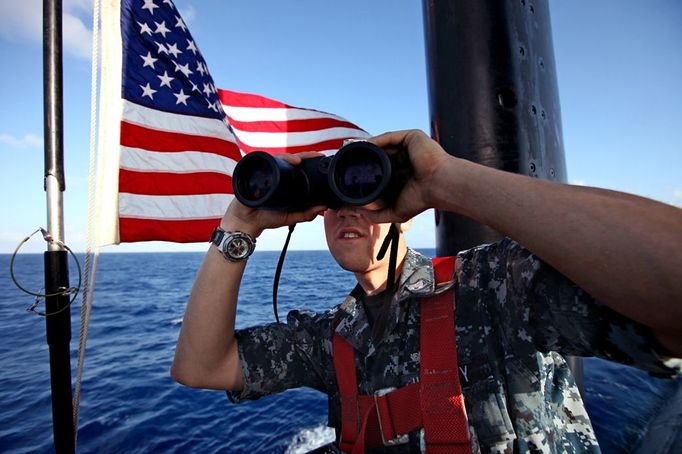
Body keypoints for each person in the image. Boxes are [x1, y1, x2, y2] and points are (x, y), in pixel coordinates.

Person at [171, 130, 682, 453]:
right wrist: (240, 223)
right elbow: (201, 366)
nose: (347, 211)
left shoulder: (493, 287)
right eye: (332, 201)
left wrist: (444, 180)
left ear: (403, 216)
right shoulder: (330, 339)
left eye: (363, 192)